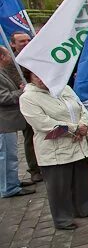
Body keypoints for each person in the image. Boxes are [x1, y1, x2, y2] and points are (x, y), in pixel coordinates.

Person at [19, 68, 88, 229]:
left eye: (44, 74)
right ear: (30, 77)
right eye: (37, 75)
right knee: (59, 185)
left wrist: (83, 125)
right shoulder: (28, 98)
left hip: (77, 143)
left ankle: (84, 207)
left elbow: (81, 108)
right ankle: (62, 218)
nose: (42, 79)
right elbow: (43, 123)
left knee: (81, 180)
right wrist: (74, 129)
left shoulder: (65, 88)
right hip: (54, 148)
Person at [0, 47, 36, 198]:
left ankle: (11, 181)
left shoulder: (3, 72)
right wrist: (23, 91)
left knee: (10, 155)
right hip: (5, 122)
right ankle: (9, 187)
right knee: (7, 155)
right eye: (7, 54)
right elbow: (4, 97)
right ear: (2, 57)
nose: (10, 57)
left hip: (8, 121)